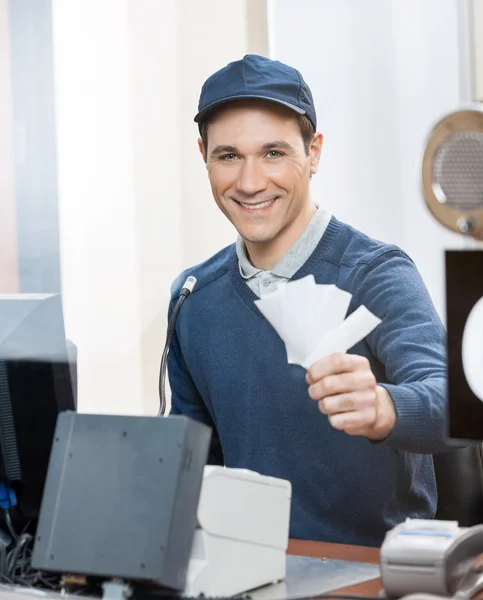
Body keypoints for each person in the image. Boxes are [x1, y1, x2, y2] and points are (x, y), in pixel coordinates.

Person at [168, 54, 449, 547]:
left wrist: (385, 407)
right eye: (228, 155)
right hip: (247, 570)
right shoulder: (194, 297)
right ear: (204, 156)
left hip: (372, 574)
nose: (250, 182)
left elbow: (457, 403)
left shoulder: (375, 273)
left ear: (313, 153)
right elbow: (194, 466)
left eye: (274, 153)